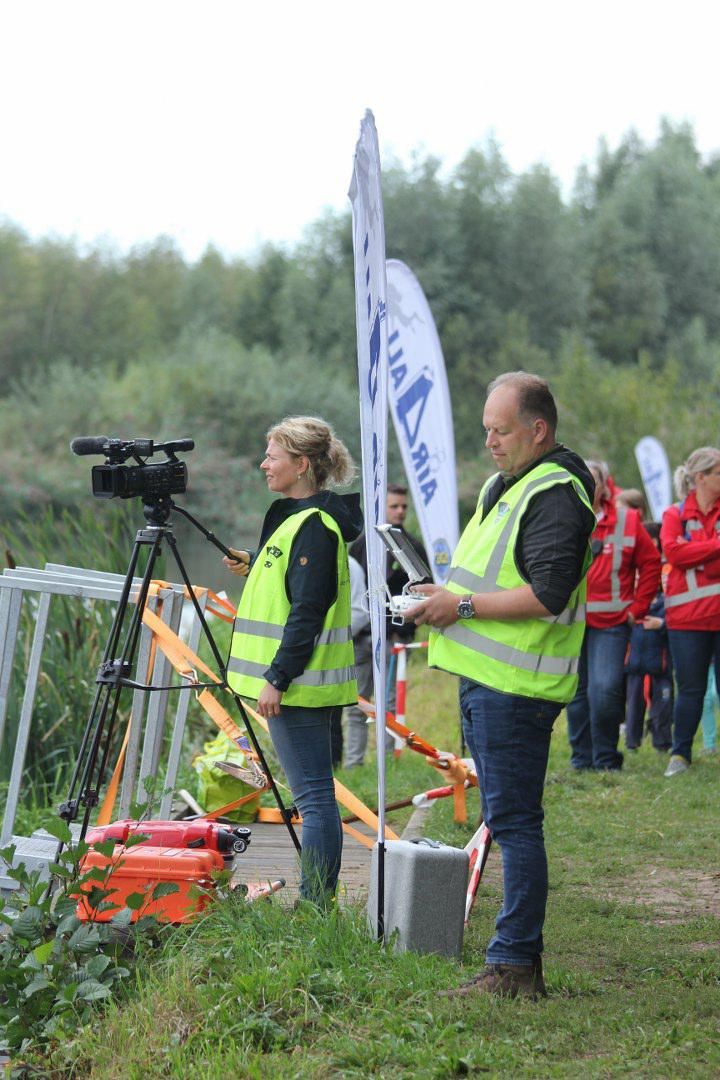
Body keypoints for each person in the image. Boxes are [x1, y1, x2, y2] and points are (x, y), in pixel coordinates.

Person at [410, 371, 595, 1000]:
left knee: (516, 825)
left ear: (537, 430)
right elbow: (489, 577)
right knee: (507, 820)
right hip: (490, 679)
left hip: (517, 687)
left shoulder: (556, 493)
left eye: (501, 430)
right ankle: (514, 960)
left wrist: (457, 608)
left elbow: (546, 593)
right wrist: (442, 596)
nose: (489, 441)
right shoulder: (506, 484)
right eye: (485, 429)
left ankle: (515, 964)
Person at [223, 416, 362, 905]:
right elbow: (290, 593)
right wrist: (255, 563)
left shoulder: (314, 527)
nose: (264, 464)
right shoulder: (301, 520)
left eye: (273, 456)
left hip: (297, 688)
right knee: (316, 794)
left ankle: (317, 904)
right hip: (300, 686)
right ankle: (316, 901)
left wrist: (277, 678)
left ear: (301, 465)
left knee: (315, 799)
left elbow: (308, 611)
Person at [566, 460, 661, 770]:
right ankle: (582, 758)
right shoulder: (563, 520)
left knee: (604, 690)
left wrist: (638, 608)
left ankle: (606, 757)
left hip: (612, 623)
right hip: (569, 622)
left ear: (605, 486)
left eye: (593, 480)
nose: (587, 485)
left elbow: (651, 564)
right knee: (576, 694)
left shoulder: (628, 521)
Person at [343, 484, 427, 767]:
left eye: (404, 506)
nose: (400, 511)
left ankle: (388, 762)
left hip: (393, 637)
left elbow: (424, 591)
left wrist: (407, 631)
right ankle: (354, 765)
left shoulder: (413, 547)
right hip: (360, 635)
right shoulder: (362, 544)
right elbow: (350, 585)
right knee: (356, 703)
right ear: (383, 508)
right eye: (394, 506)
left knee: (388, 704)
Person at [660, 446, 720, 777]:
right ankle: (680, 754)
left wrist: (696, 552)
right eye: (719, 473)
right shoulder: (674, 514)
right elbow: (673, 552)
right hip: (688, 620)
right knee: (691, 689)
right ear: (701, 478)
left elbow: (688, 556)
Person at [623, 523, 673, 755]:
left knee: (663, 701)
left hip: (660, 659)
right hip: (635, 658)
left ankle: (662, 741)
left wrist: (661, 623)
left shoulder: (667, 579)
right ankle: (632, 741)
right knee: (634, 702)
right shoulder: (630, 588)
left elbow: (675, 614)